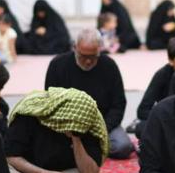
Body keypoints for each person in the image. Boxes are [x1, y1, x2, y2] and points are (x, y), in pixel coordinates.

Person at [5, 87, 113, 173]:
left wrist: (75, 137)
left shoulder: (86, 121)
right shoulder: (30, 113)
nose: (76, 126)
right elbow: (11, 157)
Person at [45, 28, 135, 159]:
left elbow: (118, 104)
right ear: (75, 48)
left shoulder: (109, 66)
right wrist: (71, 129)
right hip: (68, 126)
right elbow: (50, 102)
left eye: (93, 57)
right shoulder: (57, 65)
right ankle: (88, 148)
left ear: (99, 50)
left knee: (122, 146)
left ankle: (83, 148)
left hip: (102, 124)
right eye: (83, 56)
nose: (88, 61)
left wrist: (102, 128)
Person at [134, 37, 175, 138]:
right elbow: (143, 110)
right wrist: (162, 118)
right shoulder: (162, 75)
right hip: (167, 120)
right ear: (171, 60)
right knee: (141, 128)